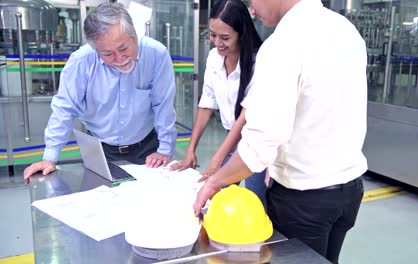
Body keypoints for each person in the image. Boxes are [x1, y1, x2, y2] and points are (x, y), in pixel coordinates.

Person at [193, 0, 367, 263]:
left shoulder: (283, 43)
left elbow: (260, 143)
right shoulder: (345, 30)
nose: (252, 8)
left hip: (304, 200)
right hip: (349, 193)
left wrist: (215, 181)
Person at [23, 3, 177, 184]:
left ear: (134, 36)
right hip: (100, 151)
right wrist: (50, 157)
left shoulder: (156, 54)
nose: (120, 59)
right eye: (107, 53)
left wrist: (165, 150)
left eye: (123, 48)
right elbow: (64, 109)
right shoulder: (82, 61)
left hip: (148, 149)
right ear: (96, 49)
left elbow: (163, 105)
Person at [170, 0, 267, 205]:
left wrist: (217, 160)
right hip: (230, 137)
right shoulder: (214, 57)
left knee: (256, 201)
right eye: (213, 35)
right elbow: (207, 103)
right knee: (212, 195)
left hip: (254, 141)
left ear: (241, 33)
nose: (217, 42)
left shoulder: (260, 61)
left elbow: (245, 117)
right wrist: (190, 149)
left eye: (225, 37)